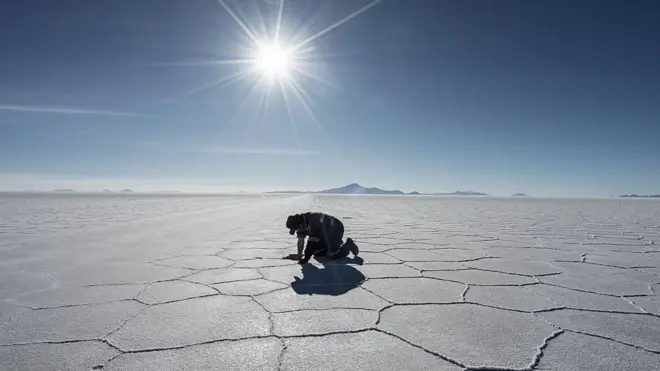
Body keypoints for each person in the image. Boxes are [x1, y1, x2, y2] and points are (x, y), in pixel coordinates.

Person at [286, 212, 359, 264]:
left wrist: (305, 259)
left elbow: (311, 243)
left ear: (300, 224)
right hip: (323, 234)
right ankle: (335, 245)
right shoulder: (300, 223)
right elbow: (300, 241)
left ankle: (348, 245)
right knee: (317, 252)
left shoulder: (313, 220)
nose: (298, 230)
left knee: (332, 255)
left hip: (335, 229)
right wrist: (299, 256)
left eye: (297, 228)